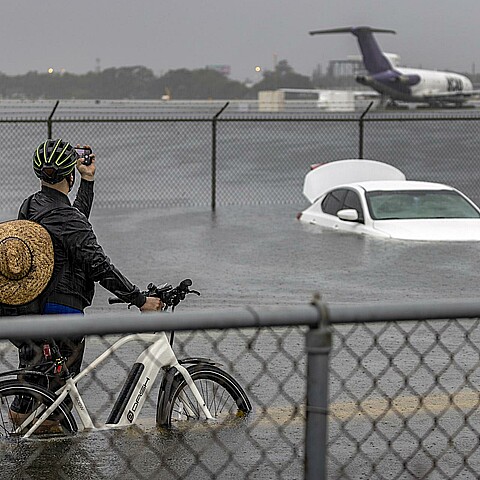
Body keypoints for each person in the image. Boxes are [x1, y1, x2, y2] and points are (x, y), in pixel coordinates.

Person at [8, 138, 163, 431]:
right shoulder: (66, 217)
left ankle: (22, 428)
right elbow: (98, 264)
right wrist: (139, 299)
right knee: (59, 392)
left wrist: (87, 182)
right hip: (62, 309)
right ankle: (50, 455)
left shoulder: (31, 205)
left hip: (30, 306)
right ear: (69, 175)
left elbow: (71, 223)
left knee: (36, 377)